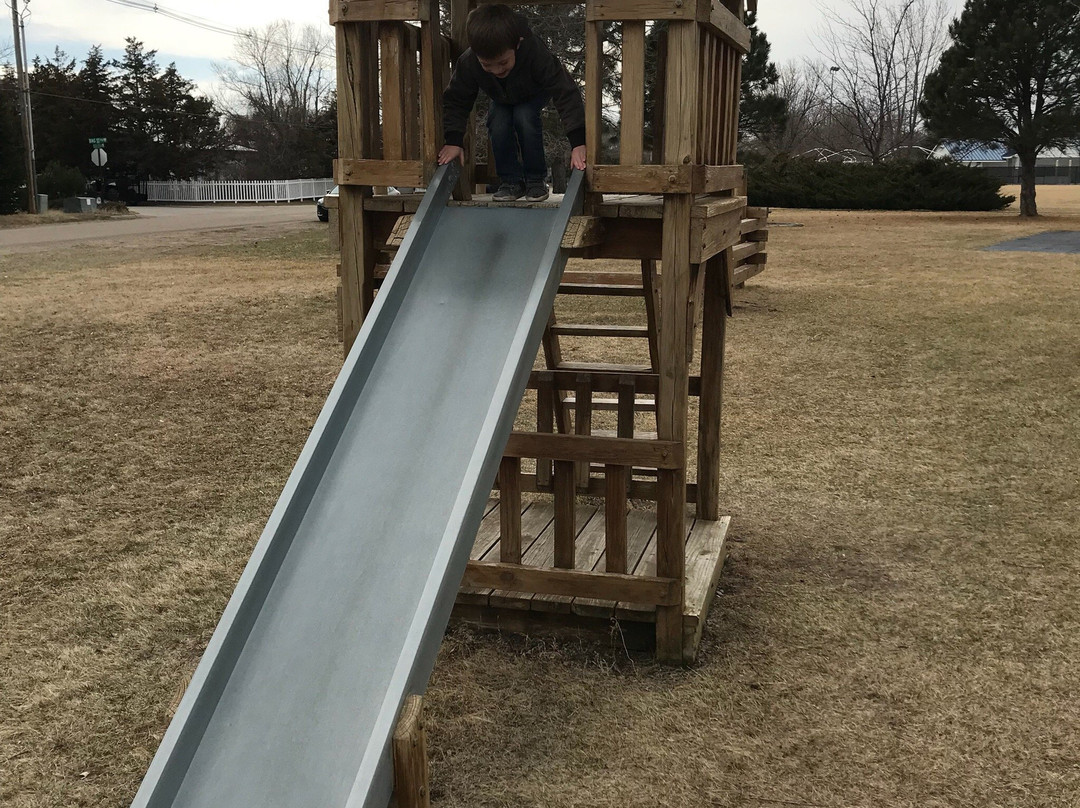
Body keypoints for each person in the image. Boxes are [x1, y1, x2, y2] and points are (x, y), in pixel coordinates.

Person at [438, 4, 587, 202]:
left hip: (534, 92)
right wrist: (453, 141)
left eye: (503, 63)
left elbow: (564, 91)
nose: (497, 70)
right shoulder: (469, 62)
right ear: (475, 54)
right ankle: (510, 182)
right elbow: (457, 99)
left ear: (517, 44)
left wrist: (578, 142)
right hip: (502, 98)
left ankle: (535, 180)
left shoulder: (534, 52)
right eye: (486, 65)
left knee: (524, 115)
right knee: (497, 120)